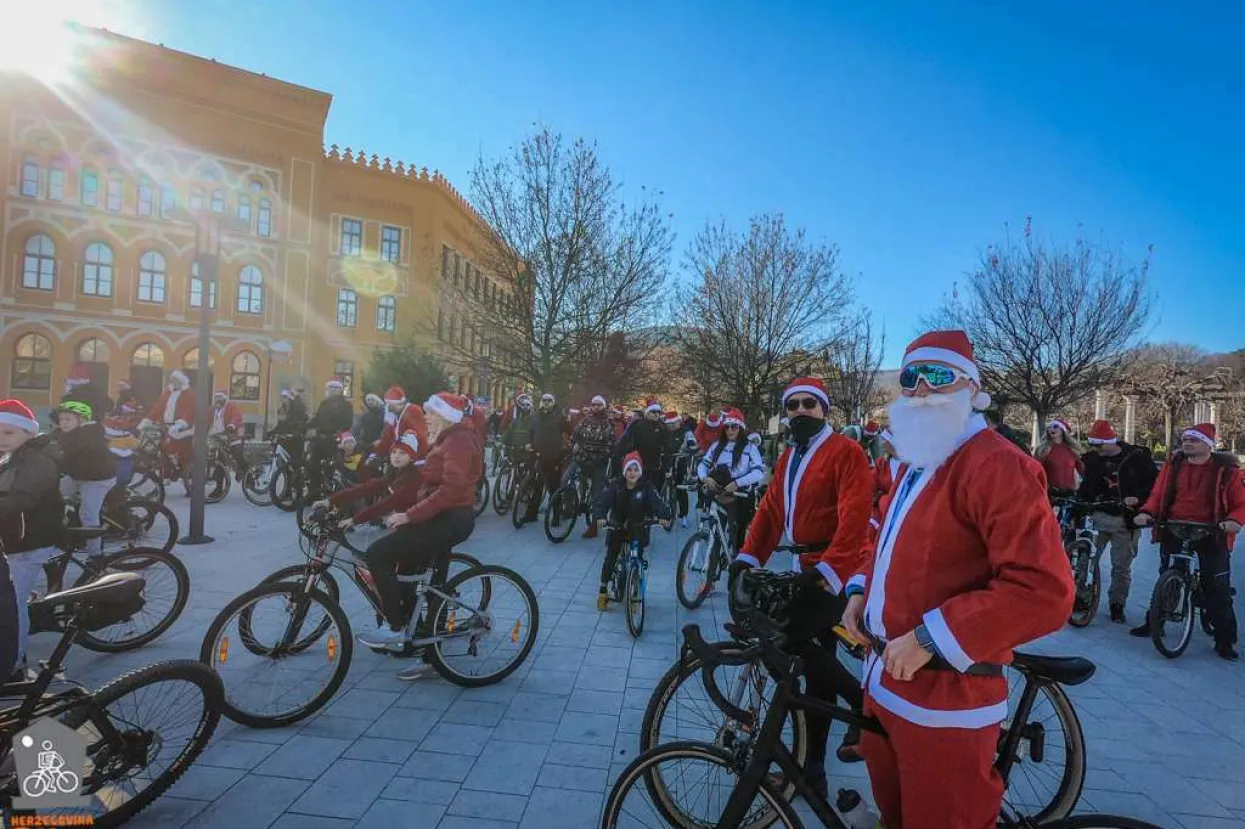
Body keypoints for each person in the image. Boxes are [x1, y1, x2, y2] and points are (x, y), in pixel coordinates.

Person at [841, 330, 1073, 829]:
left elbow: (1042, 589)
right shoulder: (915, 462)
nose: (922, 389)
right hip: (884, 687)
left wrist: (930, 637)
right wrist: (859, 591)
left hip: (944, 703)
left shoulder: (998, 465)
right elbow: (883, 538)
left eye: (939, 376)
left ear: (972, 387)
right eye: (910, 378)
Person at [730, 378, 874, 792]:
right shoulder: (790, 456)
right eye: (791, 405)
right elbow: (771, 513)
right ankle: (813, 770)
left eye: (809, 403)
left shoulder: (847, 452)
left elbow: (855, 519)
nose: (800, 411)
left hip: (836, 569)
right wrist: (745, 559)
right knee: (815, 668)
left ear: (825, 410)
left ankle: (861, 708)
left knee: (791, 640)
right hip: (803, 564)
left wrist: (827, 573)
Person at [354, 394, 480, 680]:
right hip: (442, 516)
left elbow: (451, 490)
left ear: (446, 415)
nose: (425, 418)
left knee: (379, 554)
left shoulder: (458, 440)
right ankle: (428, 653)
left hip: (451, 518)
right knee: (418, 577)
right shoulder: (448, 438)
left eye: (430, 414)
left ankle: (396, 628)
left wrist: (410, 516)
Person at [1132, 423, 1244, 659]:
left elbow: (1240, 503)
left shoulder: (1227, 471)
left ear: (1208, 444)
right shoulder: (1173, 467)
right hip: (1174, 527)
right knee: (1169, 576)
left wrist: (1234, 520)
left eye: (1194, 439)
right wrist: (1147, 512)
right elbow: (1158, 495)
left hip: (1212, 531)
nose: (1188, 442)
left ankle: (1225, 640)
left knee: (1216, 586)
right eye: (1185, 438)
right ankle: (1155, 622)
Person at [0, 399, 64, 673]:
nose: (1, 438)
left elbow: (20, 500)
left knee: (14, 606)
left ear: (29, 433)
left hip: (28, 540)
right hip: (12, 538)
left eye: (8, 432)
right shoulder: (10, 455)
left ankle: (15, 665)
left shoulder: (37, 461)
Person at [1077, 419, 1157, 624]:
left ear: (1111, 441)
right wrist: (1080, 504)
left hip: (1125, 519)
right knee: (1086, 560)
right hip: (1098, 515)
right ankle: (1082, 597)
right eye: (1092, 445)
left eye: (1099, 445)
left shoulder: (1136, 458)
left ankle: (1117, 604)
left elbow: (1153, 485)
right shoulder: (1093, 460)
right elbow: (1087, 487)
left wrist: (1137, 499)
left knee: (1121, 566)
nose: (1096, 449)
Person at [593, 452, 672, 610]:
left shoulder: (646, 487)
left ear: (640, 471)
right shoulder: (616, 485)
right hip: (618, 526)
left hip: (638, 526)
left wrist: (664, 516)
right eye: (629, 470)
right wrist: (600, 516)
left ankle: (635, 591)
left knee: (638, 558)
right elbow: (602, 501)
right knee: (611, 557)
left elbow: (657, 502)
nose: (632, 473)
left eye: (636, 470)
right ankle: (603, 590)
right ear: (624, 471)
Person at [315, 430, 423, 540]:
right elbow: (365, 488)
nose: (396, 456)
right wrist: (330, 500)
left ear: (412, 457)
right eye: (394, 452)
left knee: (375, 553)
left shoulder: (412, 477)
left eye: (402, 453)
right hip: (402, 521)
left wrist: (355, 520)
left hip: (416, 526)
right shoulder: (395, 471)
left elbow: (387, 503)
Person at [51, 401, 116, 560]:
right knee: (51, 495)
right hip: (78, 476)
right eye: (61, 419)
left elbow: (71, 448)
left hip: (97, 480)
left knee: (88, 515)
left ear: (81, 420)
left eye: (68, 419)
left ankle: (95, 556)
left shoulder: (88, 434)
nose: (63, 423)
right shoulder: (69, 433)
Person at [697, 409, 765, 549]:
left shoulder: (750, 448)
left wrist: (737, 483)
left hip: (741, 494)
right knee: (716, 530)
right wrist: (704, 478)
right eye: (726, 427)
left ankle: (738, 560)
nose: (730, 430)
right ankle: (714, 559)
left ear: (740, 428)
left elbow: (758, 473)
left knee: (738, 536)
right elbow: (703, 464)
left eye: (734, 427)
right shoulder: (717, 446)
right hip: (721, 493)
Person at [569, 395, 615, 539]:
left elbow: (611, 443)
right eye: (594, 405)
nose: (596, 407)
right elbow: (575, 435)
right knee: (568, 480)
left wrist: (603, 456)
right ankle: (571, 505)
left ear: (604, 407)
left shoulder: (608, 423)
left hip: (599, 463)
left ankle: (594, 526)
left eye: (599, 405)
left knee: (596, 495)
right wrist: (572, 445)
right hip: (583, 459)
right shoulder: (585, 421)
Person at [522, 393, 571, 526]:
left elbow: (570, 431)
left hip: (553, 456)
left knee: (553, 487)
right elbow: (530, 432)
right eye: (544, 400)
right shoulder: (536, 416)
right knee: (536, 486)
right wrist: (528, 443)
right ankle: (531, 514)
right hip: (537, 454)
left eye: (549, 401)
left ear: (554, 402)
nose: (546, 403)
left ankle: (555, 515)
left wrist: (567, 447)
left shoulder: (560, 417)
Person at [306, 378, 355, 496]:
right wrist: (306, 427)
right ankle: (315, 491)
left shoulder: (346, 405)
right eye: (330, 389)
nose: (332, 391)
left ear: (340, 390)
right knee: (314, 464)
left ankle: (332, 491)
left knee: (332, 466)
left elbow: (347, 423)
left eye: (335, 389)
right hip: (320, 438)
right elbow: (317, 419)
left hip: (334, 439)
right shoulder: (324, 403)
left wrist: (337, 433)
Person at [141, 369, 196, 471]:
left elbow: (189, 410)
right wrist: (148, 419)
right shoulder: (167, 393)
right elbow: (158, 408)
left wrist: (181, 424)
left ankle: (185, 472)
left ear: (182, 381)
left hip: (183, 427)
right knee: (164, 450)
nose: (174, 382)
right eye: (173, 380)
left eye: (176, 380)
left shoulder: (190, 394)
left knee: (182, 450)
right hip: (167, 427)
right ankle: (166, 472)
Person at [370, 387, 430, 471]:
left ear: (395, 403)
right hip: (402, 460)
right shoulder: (394, 416)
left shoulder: (413, 411)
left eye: (388, 404)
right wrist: (376, 452)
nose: (387, 407)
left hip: (415, 461)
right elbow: (388, 437)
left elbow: (419, 437)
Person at [616, 399, 667, 488]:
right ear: (647, 413)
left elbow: (668, 443)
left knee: (655, 488)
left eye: (658, 412)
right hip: (638, 462)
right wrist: (620, 452)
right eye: (653, 412)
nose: (656, 414)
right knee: (636, 487)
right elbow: (626, 439)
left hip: (656, 463)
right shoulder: (637, 425)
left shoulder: (662, 427)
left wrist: (666, 457)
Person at [662, 410, 698, 527]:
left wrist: (690, 449)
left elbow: (693, 443)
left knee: (680, 488)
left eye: (673, 424)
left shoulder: (686, 432)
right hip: (666, 461)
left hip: (681, 462)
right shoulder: (664, 432)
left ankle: (684, 516)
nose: (671, 426)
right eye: (669, 424)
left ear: (678, 421)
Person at [1035, 418, 1084, 492]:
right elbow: (1035, 471)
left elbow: (1083, 470)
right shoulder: (1043, 449)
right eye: (1049, 427)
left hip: (1070, 493)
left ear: (1062, 431)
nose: (1051, 429)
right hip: (1050, 493)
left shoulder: (1072, 449)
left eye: (1055, 426)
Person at [60, 362, 112, 429]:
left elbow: (61, 414)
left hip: (77, 431)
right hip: (96, 428)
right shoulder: (97, 391)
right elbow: (110, 405)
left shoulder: (70, 396)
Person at [210, 390, 247, 477]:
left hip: (234, 435)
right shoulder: (214, 409)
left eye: (220, 397)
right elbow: (206, 417)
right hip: (221, 437)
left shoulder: (231, 406)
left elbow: (236, 416)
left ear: (225, 398)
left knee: (238, 457)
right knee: (220, 462)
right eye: (216, 397)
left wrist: (232, 424)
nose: (218, 400)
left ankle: (249, 477)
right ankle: (219, 488)